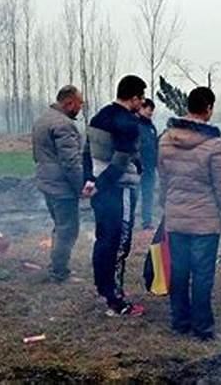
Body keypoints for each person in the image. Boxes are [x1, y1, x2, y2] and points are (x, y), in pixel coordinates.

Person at [159, 86, 221, 340]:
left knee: (179, 271)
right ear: (208, 109)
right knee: (203, 274)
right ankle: (202, 327)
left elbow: (164, 179)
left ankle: (180, 321)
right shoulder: (214, 144)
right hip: (204, 223)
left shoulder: (166, 138)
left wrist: (166, 208)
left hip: (176, 218)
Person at [83, 75, 147, 317]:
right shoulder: (127, 123)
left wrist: (90, 180)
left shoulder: (99, 116)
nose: (142, 104)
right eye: (141, 99)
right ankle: (116, 300)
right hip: (119, 189)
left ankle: (103, 288)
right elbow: (121, 162)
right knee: (120, 243)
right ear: (133, 98)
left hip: (100, 186)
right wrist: (101, 184)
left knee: (103, 239)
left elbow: (86, 151)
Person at [32, 86, 86, 282]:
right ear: (69, 102)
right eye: (80, 103)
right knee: (68, 230)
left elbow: (37, 154)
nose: (81, 107)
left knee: (60, 226)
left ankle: (57, 266)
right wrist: (81, 187)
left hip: (46, 182)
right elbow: (71, 162)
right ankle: (60, 273)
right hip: (61, 187)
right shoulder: (63, 125)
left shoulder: (43, 119)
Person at [138, 98, 158, 230]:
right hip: (137, 168)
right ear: (141, 108)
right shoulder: (134, 125)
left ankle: (147, 221)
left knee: (148, 194)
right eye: (148, 110)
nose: (150, 114)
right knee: (133, 195)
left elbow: (154, 146)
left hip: (150, 167)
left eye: (151, 112)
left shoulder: (151, 127)